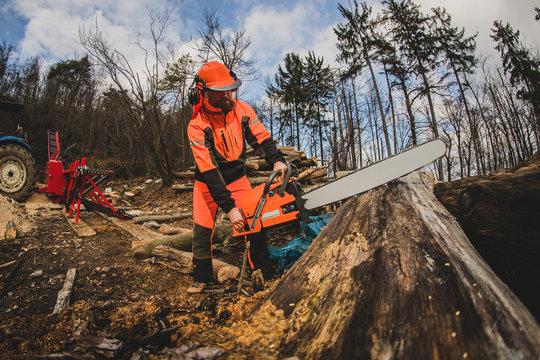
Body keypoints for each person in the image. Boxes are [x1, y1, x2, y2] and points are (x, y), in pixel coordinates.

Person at [186, 61, 287, 295]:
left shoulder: (242, 109)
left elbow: (260, 137)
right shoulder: (197, 125)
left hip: (237, 177)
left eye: (227, 90)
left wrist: (277, 160)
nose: (225, 95)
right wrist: (229, 207)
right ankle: (201, 278)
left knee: (254, 221)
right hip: (207, 183)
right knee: (202, 232)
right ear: (203, 92)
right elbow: (209, 169)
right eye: (219, 92)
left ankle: (262, 271)